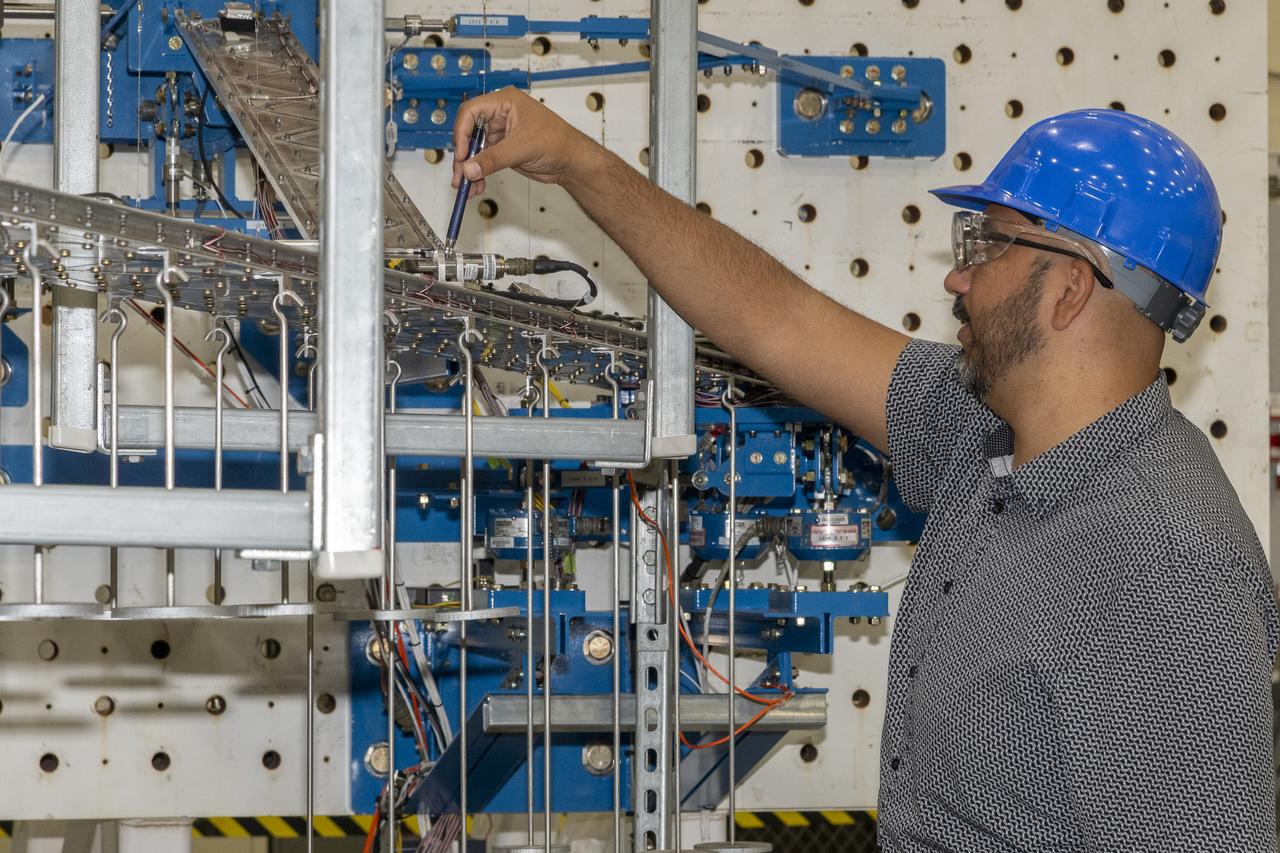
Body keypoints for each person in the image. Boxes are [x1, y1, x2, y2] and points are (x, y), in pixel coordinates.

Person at [451, 91, 1278, 850]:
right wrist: (577, 162)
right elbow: (776, 318)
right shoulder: (982, 436)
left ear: (1067, 289)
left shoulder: (1164, 572)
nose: (956, 275)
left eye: (986, 244)